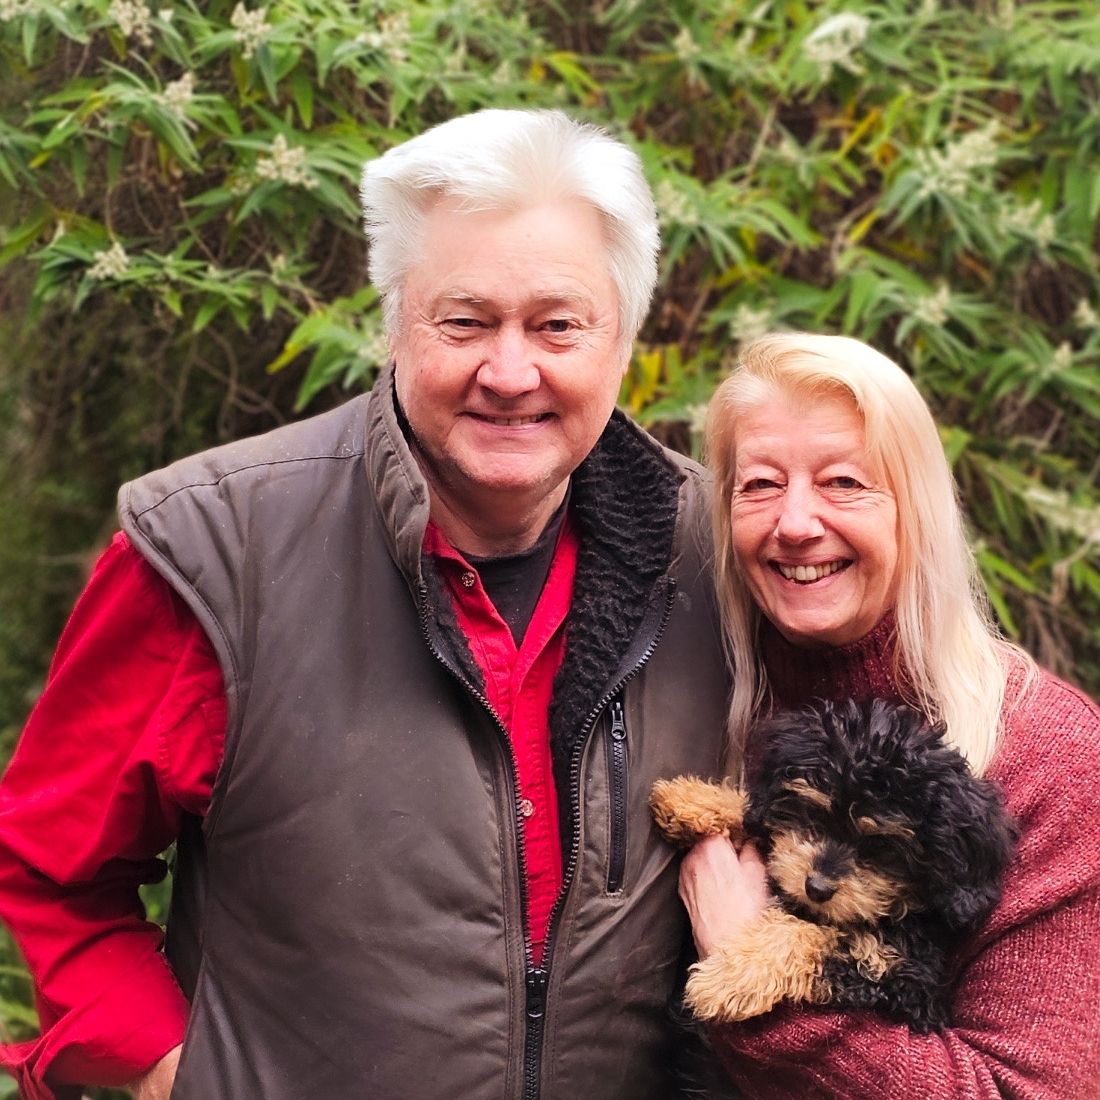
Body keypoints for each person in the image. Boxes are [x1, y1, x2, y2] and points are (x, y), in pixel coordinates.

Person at [0, 109, 731, 1100]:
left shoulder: (721, 556)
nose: (510, 371)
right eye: (464, 321)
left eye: (558, 324)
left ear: (624, 338)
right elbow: (48, 867)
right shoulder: (214, 551)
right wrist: (176, 1070)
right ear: (395, 323)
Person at [676, 331, 1100, 1098]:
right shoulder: (683, 689)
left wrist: (764, 990)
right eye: (761, 483)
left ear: (917, 508)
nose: (795, 523)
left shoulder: (1052, 752)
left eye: (843, 481)